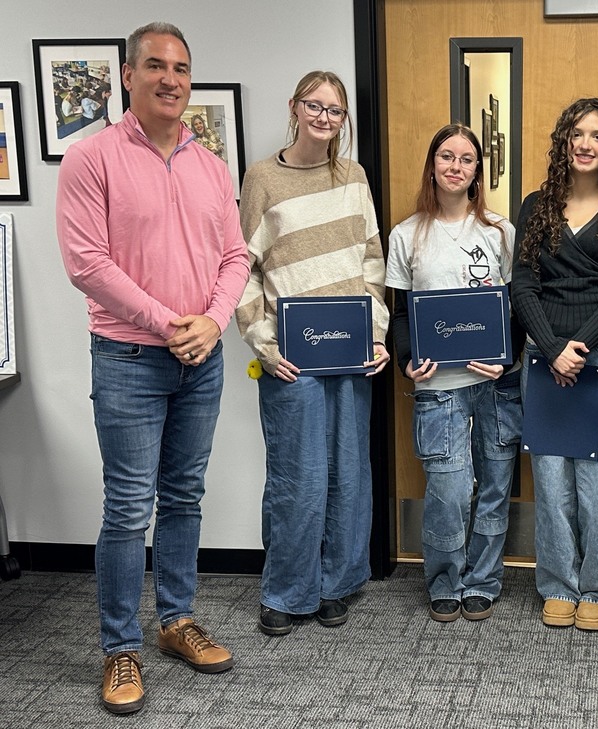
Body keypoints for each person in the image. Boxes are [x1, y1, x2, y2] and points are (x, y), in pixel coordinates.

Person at [55, 22, 250, 716]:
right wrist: (168, 323)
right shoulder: (92, 159)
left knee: (185, 497)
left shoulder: (210, 165)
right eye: (157, 66)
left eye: (182, 68)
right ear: (127, 77)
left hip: (201, 359)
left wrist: (214, 320)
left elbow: (236, 257)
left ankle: (174, 621)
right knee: (128, 507)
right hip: (131, 358)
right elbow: (87, 264)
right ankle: (119, 647)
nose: (172, 78)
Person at [235, 71, 390, 639]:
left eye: (335, 109)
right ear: (295, 108)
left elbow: (372, 261)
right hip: (289, 358)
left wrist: (376, 334)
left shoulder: (353, 177)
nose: (325, 117)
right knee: (296, 478)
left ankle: (334, 584)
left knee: (348, 474)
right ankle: (285, 590)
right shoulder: (262, 179)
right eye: (315, 106)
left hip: (351, 353)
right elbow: (241, 271)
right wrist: (264, 345)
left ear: (343, 118)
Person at [510, 98, 598, 631]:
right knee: (550, 482)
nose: (587, 144)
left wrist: (579, 348)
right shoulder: (536, 205)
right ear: (564, 142)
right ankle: (558, 584)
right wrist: (550, 348)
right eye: (577, 134)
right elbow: (523, 285)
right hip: (543, 360)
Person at [386, 123, 522, 622]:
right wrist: (406, 361)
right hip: (438, 389)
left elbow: (516, 306)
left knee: (493, 487)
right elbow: (401, 313)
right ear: (432, 164)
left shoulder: (500, 232)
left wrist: (507, 358)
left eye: (467, 159)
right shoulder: (406, 235)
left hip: (493, 385)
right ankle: (445, 579)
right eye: (447, 157)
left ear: (477, 171)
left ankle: (483, 580)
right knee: (447, 491)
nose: (456, 167)